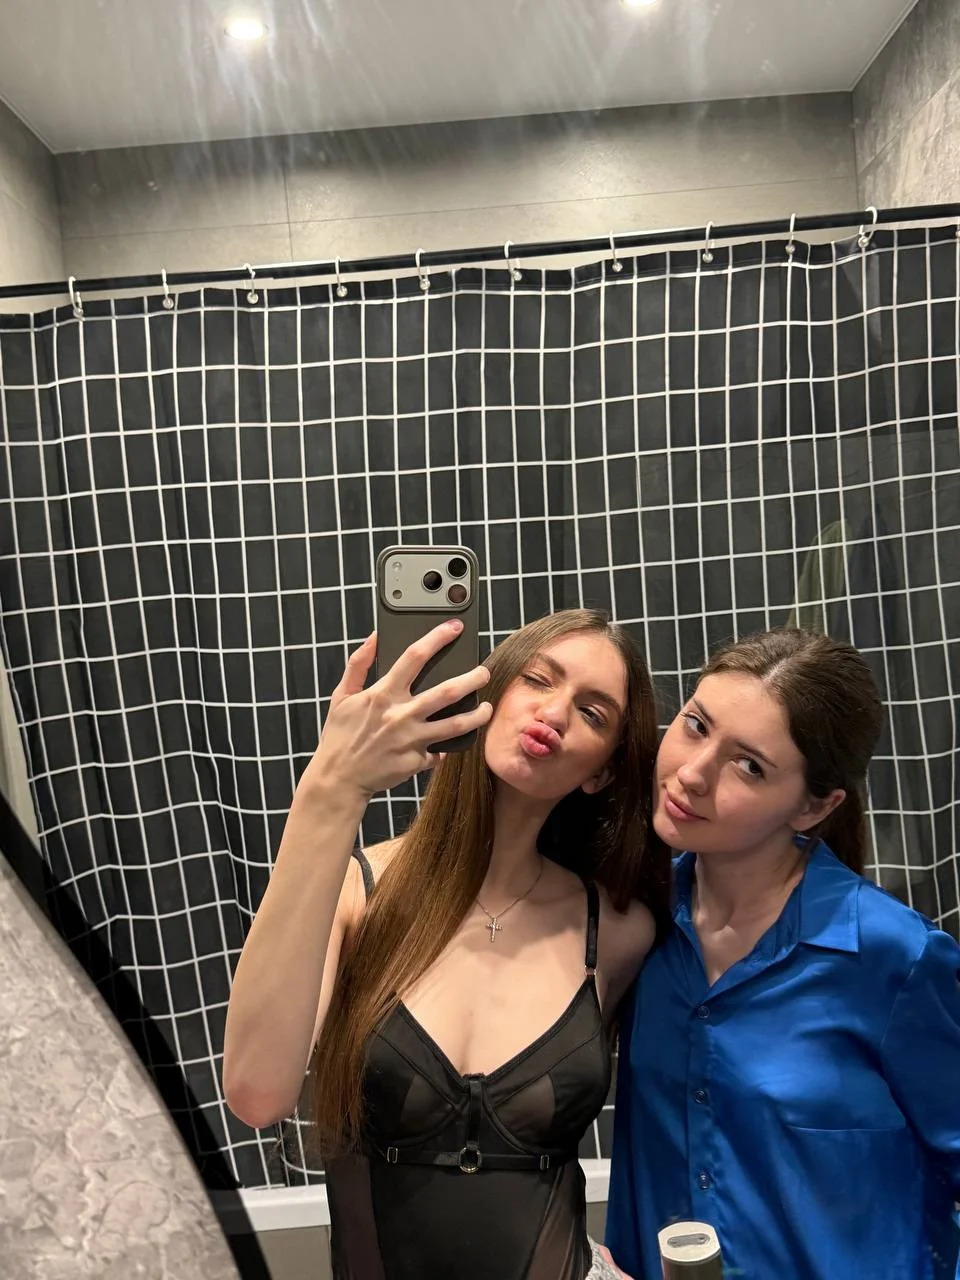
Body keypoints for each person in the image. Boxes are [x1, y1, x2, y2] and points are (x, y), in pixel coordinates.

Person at [223, 608, 672, 1280]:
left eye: (593, 713)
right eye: (538, 679)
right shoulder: (355, 894)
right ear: (485, 692)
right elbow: (256, 1094)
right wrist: (331, 785)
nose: (554, 712)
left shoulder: (615, 930)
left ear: (601, 773)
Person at [604, 627, 960, 1280]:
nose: (692, 773)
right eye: (695, 725)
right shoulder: (636, 926)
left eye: (749, 766)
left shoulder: (894, 957)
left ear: (814, 806)